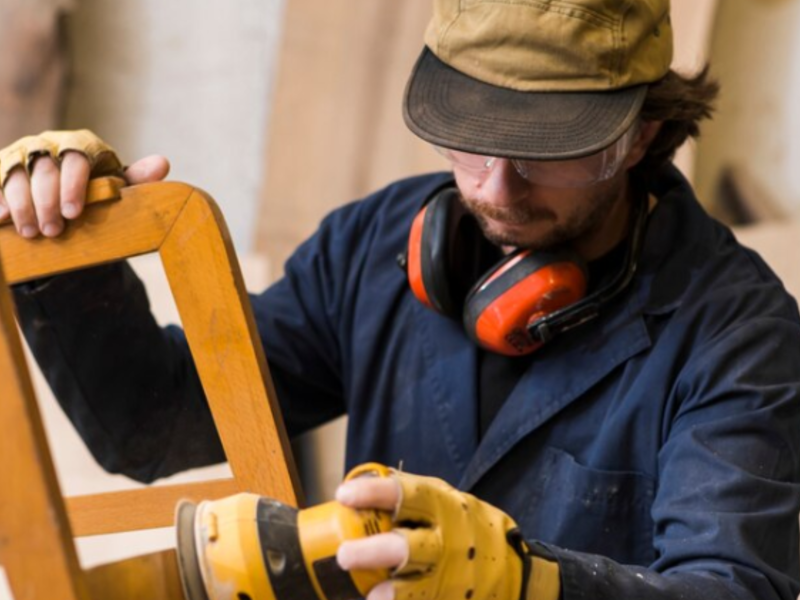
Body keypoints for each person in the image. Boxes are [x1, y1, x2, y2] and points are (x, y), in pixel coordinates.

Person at [1, 1, 800, 599]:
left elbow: (734, 587)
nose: (498, 188)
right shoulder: (376, 248)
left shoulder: (740, 335)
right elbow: (149, 425)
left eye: (549, 150)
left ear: (647, 135)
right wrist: (67, 245)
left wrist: (529, 585)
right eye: (472, 137)